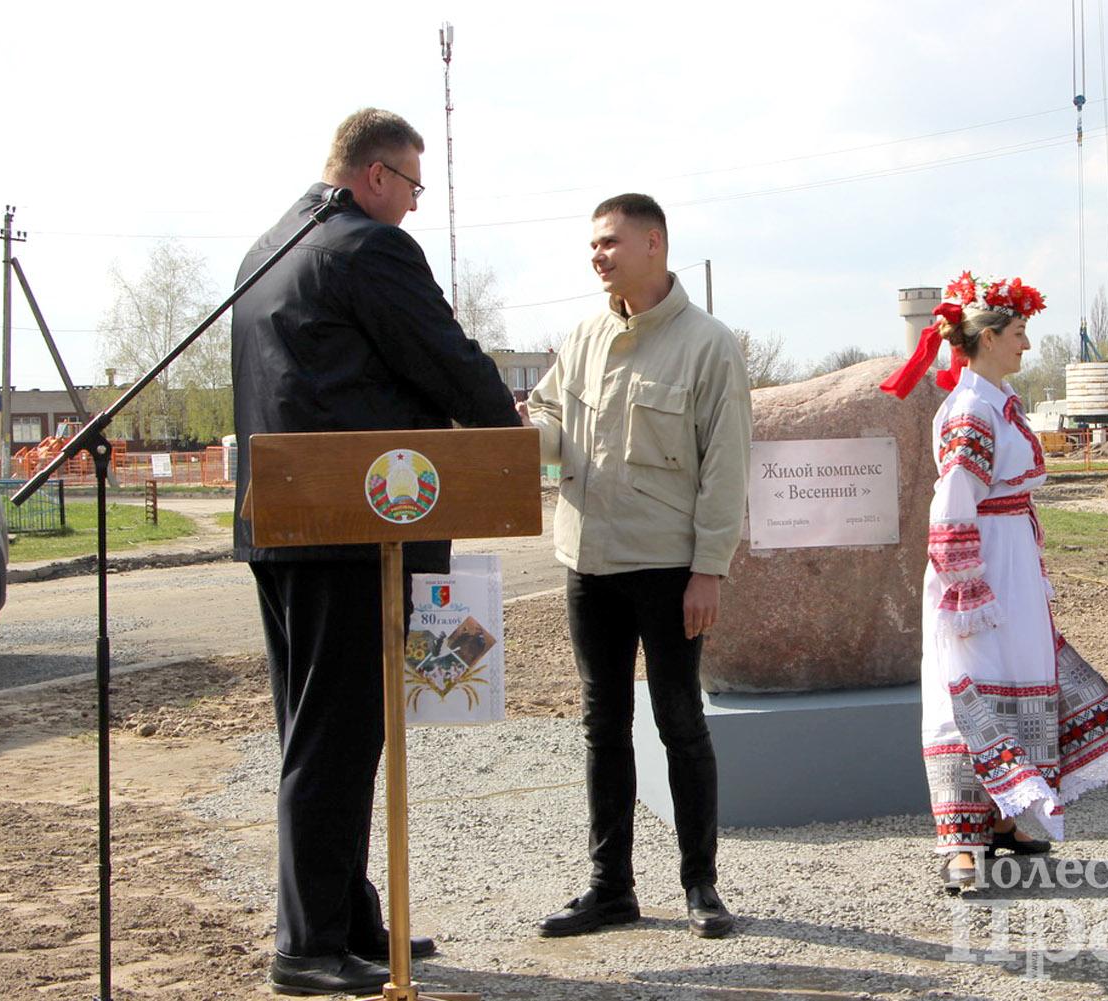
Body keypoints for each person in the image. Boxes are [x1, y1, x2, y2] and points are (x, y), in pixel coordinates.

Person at [231, 108, 520, 995]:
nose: (413, 209)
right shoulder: (366, 246)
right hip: (354, 537)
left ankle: (345, 919)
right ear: (376, 177)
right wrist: (504, 436)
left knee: (319, 734)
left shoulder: (267, 248)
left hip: (286, 530)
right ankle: (309, 946)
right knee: (335, 738)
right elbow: (443, 355)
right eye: (412, 188)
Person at [880, 271, 1108, 894]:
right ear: (989, 338)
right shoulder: (972, 410)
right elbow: (952, 503)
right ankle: (961, 844)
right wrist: (965, 588)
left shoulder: (997, 403)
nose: (1028, 345)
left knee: (1019, 678)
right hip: (983, 568)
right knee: (968, 689)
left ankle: (1009, 821)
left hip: (1012, 563)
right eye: (1020, 332)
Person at [522, 194, 752, 939]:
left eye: (610, 242)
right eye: (592, 244)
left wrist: (709, 568)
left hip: (667, 567)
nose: (598, 254)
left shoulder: (708, 345)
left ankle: (701, 885)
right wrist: (518, 433)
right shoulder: (583, 337)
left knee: (680, 720)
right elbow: (552, 428)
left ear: (653, 242)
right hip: (589, 561)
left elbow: (726, 468)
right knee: (602, 724)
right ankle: (609, 886)